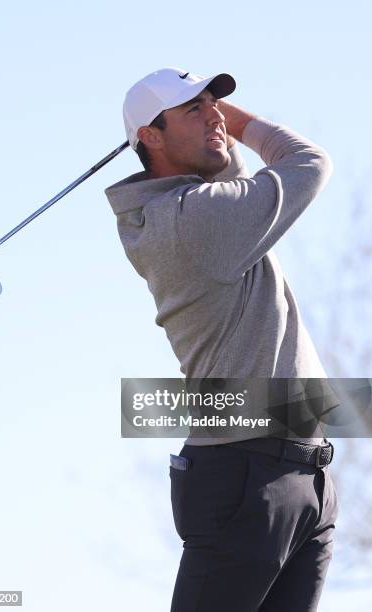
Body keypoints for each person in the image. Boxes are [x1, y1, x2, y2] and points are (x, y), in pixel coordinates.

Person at [105, 67, 338, 612]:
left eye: (215, 104)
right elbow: (309, 163)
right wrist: (238, 121)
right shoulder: (193, 220)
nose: (213, 115)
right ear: (151, 138)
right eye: (194, 109)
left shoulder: (190, 205)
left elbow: (225, 166)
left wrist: (205, 122)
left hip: (304, 475)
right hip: (245, 475)